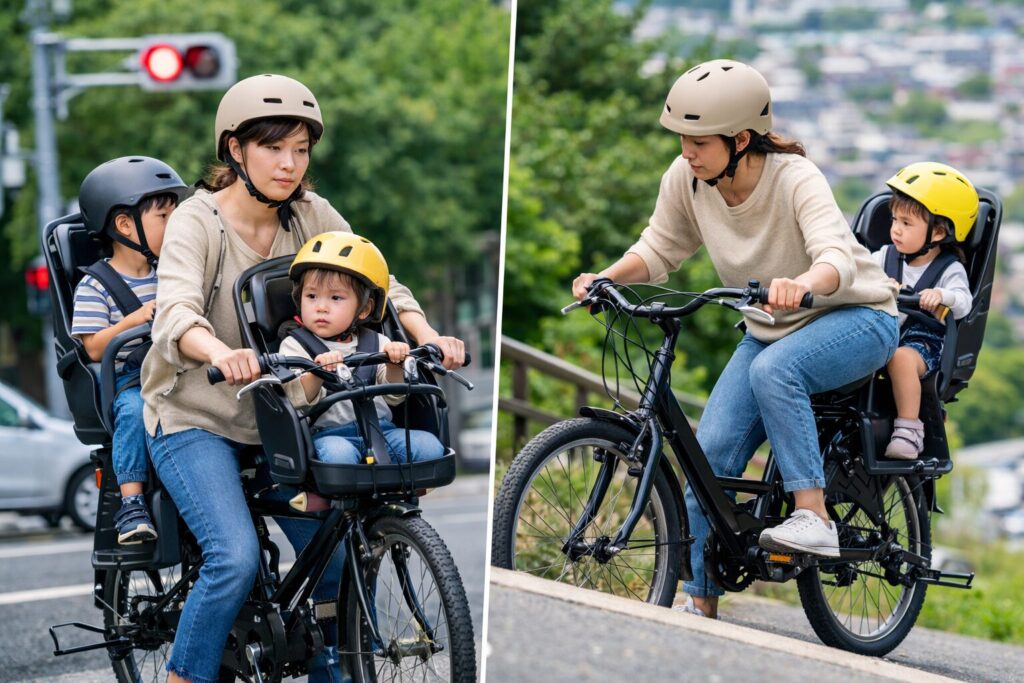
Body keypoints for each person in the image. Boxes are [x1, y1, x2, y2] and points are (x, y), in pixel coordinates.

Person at [141, 74, 464, 683]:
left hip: (285, 418)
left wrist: (428, 338)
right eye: (273, 148)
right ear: (235, 149)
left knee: (337, 550)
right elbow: (175, 311)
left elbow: (381, 284)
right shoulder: (196, 221)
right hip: (196, 417)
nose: (290, 164)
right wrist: (221, 350)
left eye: (301, 149)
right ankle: (183, 675)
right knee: (234, 560)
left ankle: (331, 669)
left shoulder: (310, 212)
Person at [571, 59, 899, 619]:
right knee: (709, 454)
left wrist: (803, 285)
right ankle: (701, 602)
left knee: (777, 372)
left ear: (740, 138)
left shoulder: (795, 178)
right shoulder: (687, 180)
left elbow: (835, 259)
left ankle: (813, 515)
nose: (686, 152)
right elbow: (660, 248)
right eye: (682, 140)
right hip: (771, 328)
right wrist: (607, 276)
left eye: (698, 142)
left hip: (858, 316)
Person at [71, 156, 187, 544]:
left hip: (176, 371)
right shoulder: (94, 286)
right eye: (164, 217)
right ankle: (132, 504)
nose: (175, 225)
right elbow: (92, 348)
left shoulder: (170, 273)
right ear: (125, 225)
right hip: (129, 380)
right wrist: (133, 320)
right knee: (137, 410)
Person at [280, 231, 446, 470]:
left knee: (429, 447)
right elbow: (298, 401)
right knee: (338, 456)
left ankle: (396, 487)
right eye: (312, 296)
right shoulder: (295, 344)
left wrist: (394, 364)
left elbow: (394, 397)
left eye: (336, 298)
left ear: (364, 309)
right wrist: (317, 372)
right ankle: (327, 497)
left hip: (381, 430)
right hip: (330, 434)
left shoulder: (376, 341)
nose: (322, 307)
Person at [873, 162, 977, 459]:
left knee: (902, 358)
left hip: (924, 344)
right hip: (886, 330)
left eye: (907, 223)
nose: (895, 229)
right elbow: (860, 272)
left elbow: (964, 302)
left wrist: (941, 295)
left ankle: (909, 429)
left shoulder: (948, 268)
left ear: (938, 232)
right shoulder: (885, 257)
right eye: (894, 220)